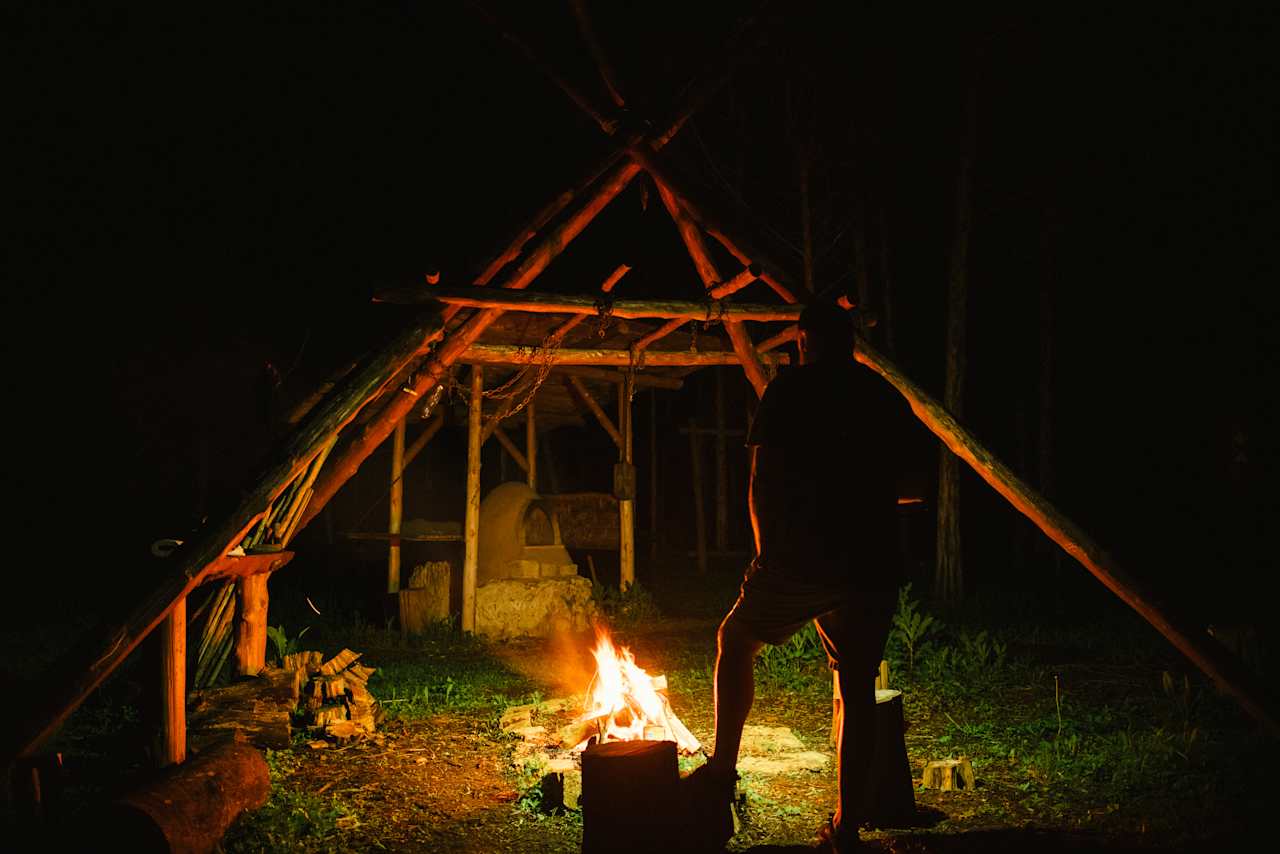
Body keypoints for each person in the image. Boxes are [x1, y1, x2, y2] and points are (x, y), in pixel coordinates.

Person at [682, 298, 917, 852]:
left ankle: (721, 773)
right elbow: (911, 485)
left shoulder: (791, 390)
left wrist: (769, 552)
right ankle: (847, 827)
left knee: (735, 641)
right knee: (856, 688)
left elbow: (762, 479)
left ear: (806, 340)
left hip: (803, 557)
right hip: (871, 564)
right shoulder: (884, 397)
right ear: (853, 342)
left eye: (800, 341)